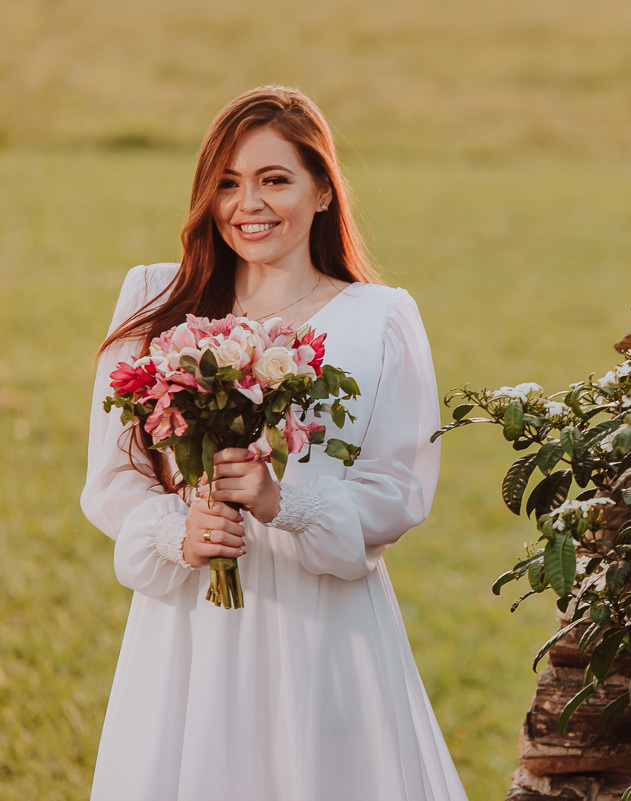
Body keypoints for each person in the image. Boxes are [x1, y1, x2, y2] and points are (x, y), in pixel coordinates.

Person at [81, 86, 468, 801]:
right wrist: (179, 534)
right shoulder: (156, 301)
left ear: (323, 189)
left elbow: (397, 489)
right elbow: (114, 475)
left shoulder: (379, 318)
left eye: (274, 179)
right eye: (227, 182)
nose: (248, 204)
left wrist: (280, 499)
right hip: (189, 628)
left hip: (319, 628)